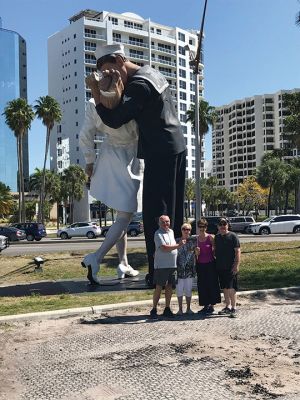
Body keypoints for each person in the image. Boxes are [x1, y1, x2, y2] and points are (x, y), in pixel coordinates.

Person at [91, 43, 187, 287]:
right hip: (174, 146)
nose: (111, 78)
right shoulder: (150, 71)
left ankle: (160, 275)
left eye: (112, 71)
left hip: (161, 151)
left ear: (121, 59)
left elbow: (114, 119)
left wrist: (96, 93)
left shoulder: (140, 84)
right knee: (172, 213)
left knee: (157, 214)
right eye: (104, 75)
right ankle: (172, 271)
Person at [79, 53, 143, 285]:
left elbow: (85, 135)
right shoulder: (130, 99)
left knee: (121, 215)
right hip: (121, 158)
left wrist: (90, 161)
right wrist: (89, 160)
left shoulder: (124, 99)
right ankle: (96, 257)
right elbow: (85, 135)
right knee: (125, 216)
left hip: (118, 157)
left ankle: (123, 262)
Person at [150, 215, 186, 319]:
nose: (166, 224)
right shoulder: (158, 234)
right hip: (161, 265)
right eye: (163, 222)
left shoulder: (171, 232)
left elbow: (171, 245)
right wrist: (178, 246)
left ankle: (167, 308)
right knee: (159, 287)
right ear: (159, 223)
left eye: (167, 221)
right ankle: (154, 309)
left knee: (170, 286)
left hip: (172, 264)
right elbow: (164, 248)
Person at [214, 218, 241, 318]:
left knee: (231, 288)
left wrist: (236, 265)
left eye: (224, 224)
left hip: (231, 267)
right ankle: (227, 306)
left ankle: (234, 308)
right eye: (220, 224)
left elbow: (238, 251)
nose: (222, 226)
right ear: (218, 226)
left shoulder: (233, 236)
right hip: (220, 266)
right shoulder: (217, 237)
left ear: (227, 225)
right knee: (224, 287)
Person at [195, 218, 221, 314]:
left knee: (212, 284)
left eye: (204, 226)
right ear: (198, 227)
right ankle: (205, 305)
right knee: (202, 285)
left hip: (210, 264)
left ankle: (212, 305)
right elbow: (194, 254)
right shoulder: (196, 239)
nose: (202, 228)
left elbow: (216, 251)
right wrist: (196, 252)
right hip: (200, 264)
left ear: (206, 227)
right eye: (200, 226)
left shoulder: (211, 237)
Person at [176, 222, 196, 315]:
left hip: (189, 270)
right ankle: (180, 309)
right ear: (181, 230)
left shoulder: (193, 241)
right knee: (179, 289)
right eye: (184, 229)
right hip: (179, 269)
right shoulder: (176, 240)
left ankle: (188, 308)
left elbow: (197, 253)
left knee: (188, 289)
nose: (186, 231)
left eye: (188, 229)